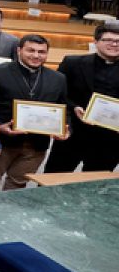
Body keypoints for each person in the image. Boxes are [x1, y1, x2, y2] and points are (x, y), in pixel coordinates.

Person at [0, 35, 69, 191]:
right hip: (2, 141)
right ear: (19, 50)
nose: (36, 55)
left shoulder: (58, 78)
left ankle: (7, 214)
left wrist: (65, 129)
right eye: (31, 50)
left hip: (36, 145)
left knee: (17, 184)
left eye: (41, 52)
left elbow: (63, 108)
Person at [44, 23, 119, 174]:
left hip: (110, 140)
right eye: (108, 40)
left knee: (95, 187)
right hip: (74, 134)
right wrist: (74, 107)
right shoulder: (72, 63)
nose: (114, 44)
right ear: (96, 42)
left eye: (118, 41)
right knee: (54, 179)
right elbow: (57, 95)